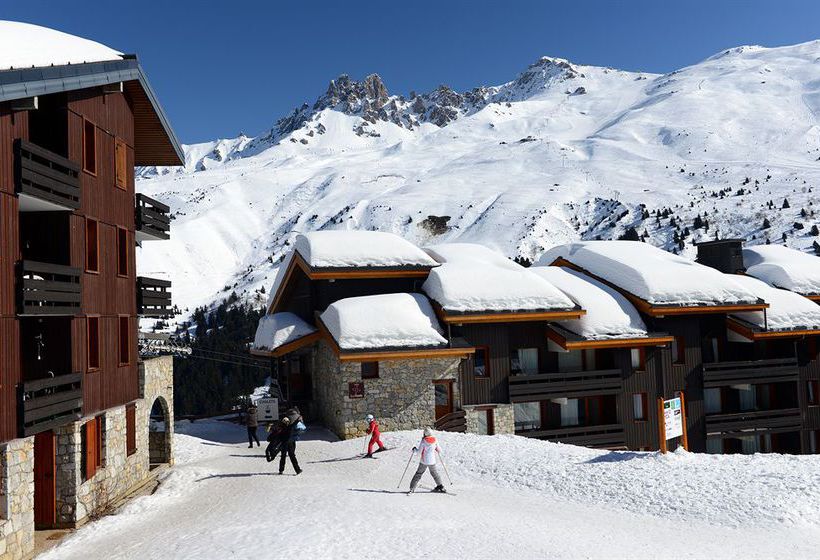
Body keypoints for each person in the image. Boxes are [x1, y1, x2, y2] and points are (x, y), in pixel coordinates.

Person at [409, 427, 446, 493]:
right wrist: (436, 449)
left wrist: (414, 450)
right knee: (435, 473)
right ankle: (440, 486)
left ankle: (412, 488)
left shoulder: (423, 440)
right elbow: (440, 450)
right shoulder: (435, 440)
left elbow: (419, 452)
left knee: (419, 473)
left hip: (424, 460)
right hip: (432, 461)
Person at [276, 408, 304, 475]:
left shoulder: (283, 423)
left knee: (283, 455)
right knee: (292, 455)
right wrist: (298, 419)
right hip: (290, 440)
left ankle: (281, 470)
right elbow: (293, 424)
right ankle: (297, 470)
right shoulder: (291, 424)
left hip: (283, 440)